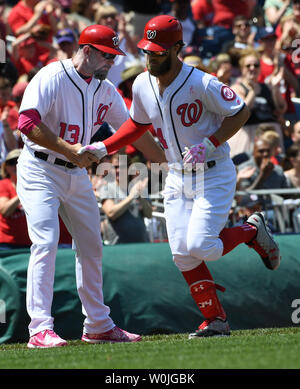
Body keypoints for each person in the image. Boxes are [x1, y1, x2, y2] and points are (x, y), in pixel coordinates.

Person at [79, 15, 281, 338]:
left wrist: (210, 142)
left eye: (158, 51)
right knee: (181, 255)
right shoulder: (143, 83)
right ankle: (216, 320)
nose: (151, 57)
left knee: (204, 246)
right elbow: (137, 124)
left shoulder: (201, 82)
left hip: (212, 173)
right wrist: (105, 146)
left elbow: (241, 110)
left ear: (176, 48)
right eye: (148, 50)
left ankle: (251, 230)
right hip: (175, 174)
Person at [16, 24, 166, 349]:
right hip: (41, 168)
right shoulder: (51, 76)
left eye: (113, 56)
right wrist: (69, 150)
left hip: (77, 172)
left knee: (91, 244)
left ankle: (98, 324)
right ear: (87, 51)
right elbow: (26, 123)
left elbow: (133, 130)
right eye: (107, 55)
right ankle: (40, 328)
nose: (112, 62)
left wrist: (169, 162)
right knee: (45, 242)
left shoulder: (106, 89)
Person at [228, 49, 287, 158]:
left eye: (256, 65)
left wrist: (275, 88)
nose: (252, 68)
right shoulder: (237, 88)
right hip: (249, 136)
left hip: (272, 135)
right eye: (248, 66)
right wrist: (253, 92)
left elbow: (281, 108)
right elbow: (242, 110)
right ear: (242, 69)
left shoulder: (267, 87)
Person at [99, 152, 152, 244]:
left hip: (142, 244)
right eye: (116, 167)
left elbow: (149, 214)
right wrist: (131, 197)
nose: (119, 170)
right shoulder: (107, 188)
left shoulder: (137, 187)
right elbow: (111, 213)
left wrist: (141, 197)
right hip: (119, 246)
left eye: (122, 167)